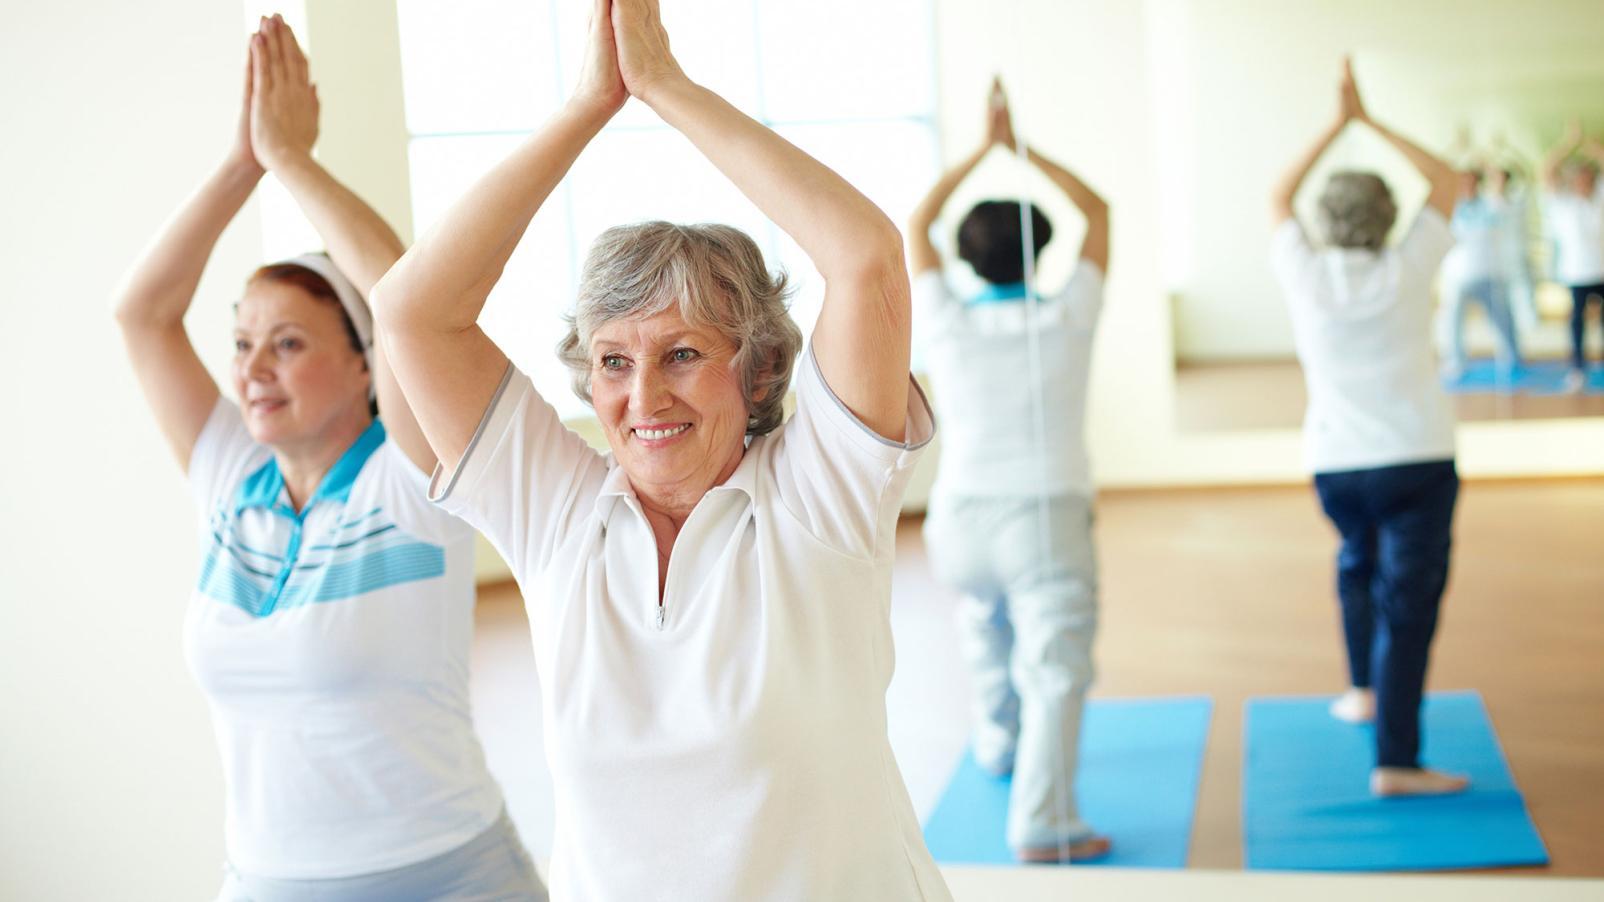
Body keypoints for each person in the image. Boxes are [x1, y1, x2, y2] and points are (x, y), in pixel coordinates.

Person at [369, 0, 952, 898]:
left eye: (682, 353)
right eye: (613, 361)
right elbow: (411, 311)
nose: (644, 399)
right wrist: (581, 112)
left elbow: (867, 257)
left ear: (756, 373)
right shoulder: (556, 512)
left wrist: (667, 88)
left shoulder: (820, 494)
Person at [112, 16, 544, 900]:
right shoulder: (231, 475)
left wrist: (295, 161)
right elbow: (142, 313)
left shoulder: (413, 476)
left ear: (364, 361)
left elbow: (404, 295)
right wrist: (245, 158)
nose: (251, 369)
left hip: (449, 875)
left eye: (288, 344)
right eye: (241, 343)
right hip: (270, 882)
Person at [906, 78, 1111, 863]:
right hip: (1045, 518)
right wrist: (1021, 149)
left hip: (958, 520)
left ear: (964, 256)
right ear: (1044, 250)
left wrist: (983, 152)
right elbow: (1101, 215)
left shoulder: (948, 321)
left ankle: (998, 744)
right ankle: (1043, 820)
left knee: (985, 627)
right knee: (1055, 666)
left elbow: (918, 221)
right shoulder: (1069, 313)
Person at [1268, 58, 1468, 798]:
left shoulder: (1304, 273)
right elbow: (1445, 181)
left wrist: (1337, 124)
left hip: (1337, 465)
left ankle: (1362, 691)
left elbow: (1277, 195)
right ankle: (1397, 761)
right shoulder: (1410, 265)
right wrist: (1370, 123)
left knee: (1357, 564)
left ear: (1326, 221)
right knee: (1406, 608)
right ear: (1389, 217)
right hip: (1416, 460)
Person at [1442, 166, 1524, 380]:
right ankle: (1456, 361)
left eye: (1470, 181)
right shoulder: (1451, 205)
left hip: (1489, 272)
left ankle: (1511, 359)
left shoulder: (1491, 203)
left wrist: (1487, 158)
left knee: (1502, 320)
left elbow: (1500, 178)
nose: (1466, 185)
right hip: (1458, 275)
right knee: (1452, 322)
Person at [1541, 120, 1604, 391]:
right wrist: (1569, 143)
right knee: (1577, 326)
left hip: (1601, 271)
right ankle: (1578, 369)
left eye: (1587, 176)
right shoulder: (1562, 202)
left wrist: (1587, 143)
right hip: (1576, 273)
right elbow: (1546, 171)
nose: (1582, 181)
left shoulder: (1600, 197)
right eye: (1578, 177)